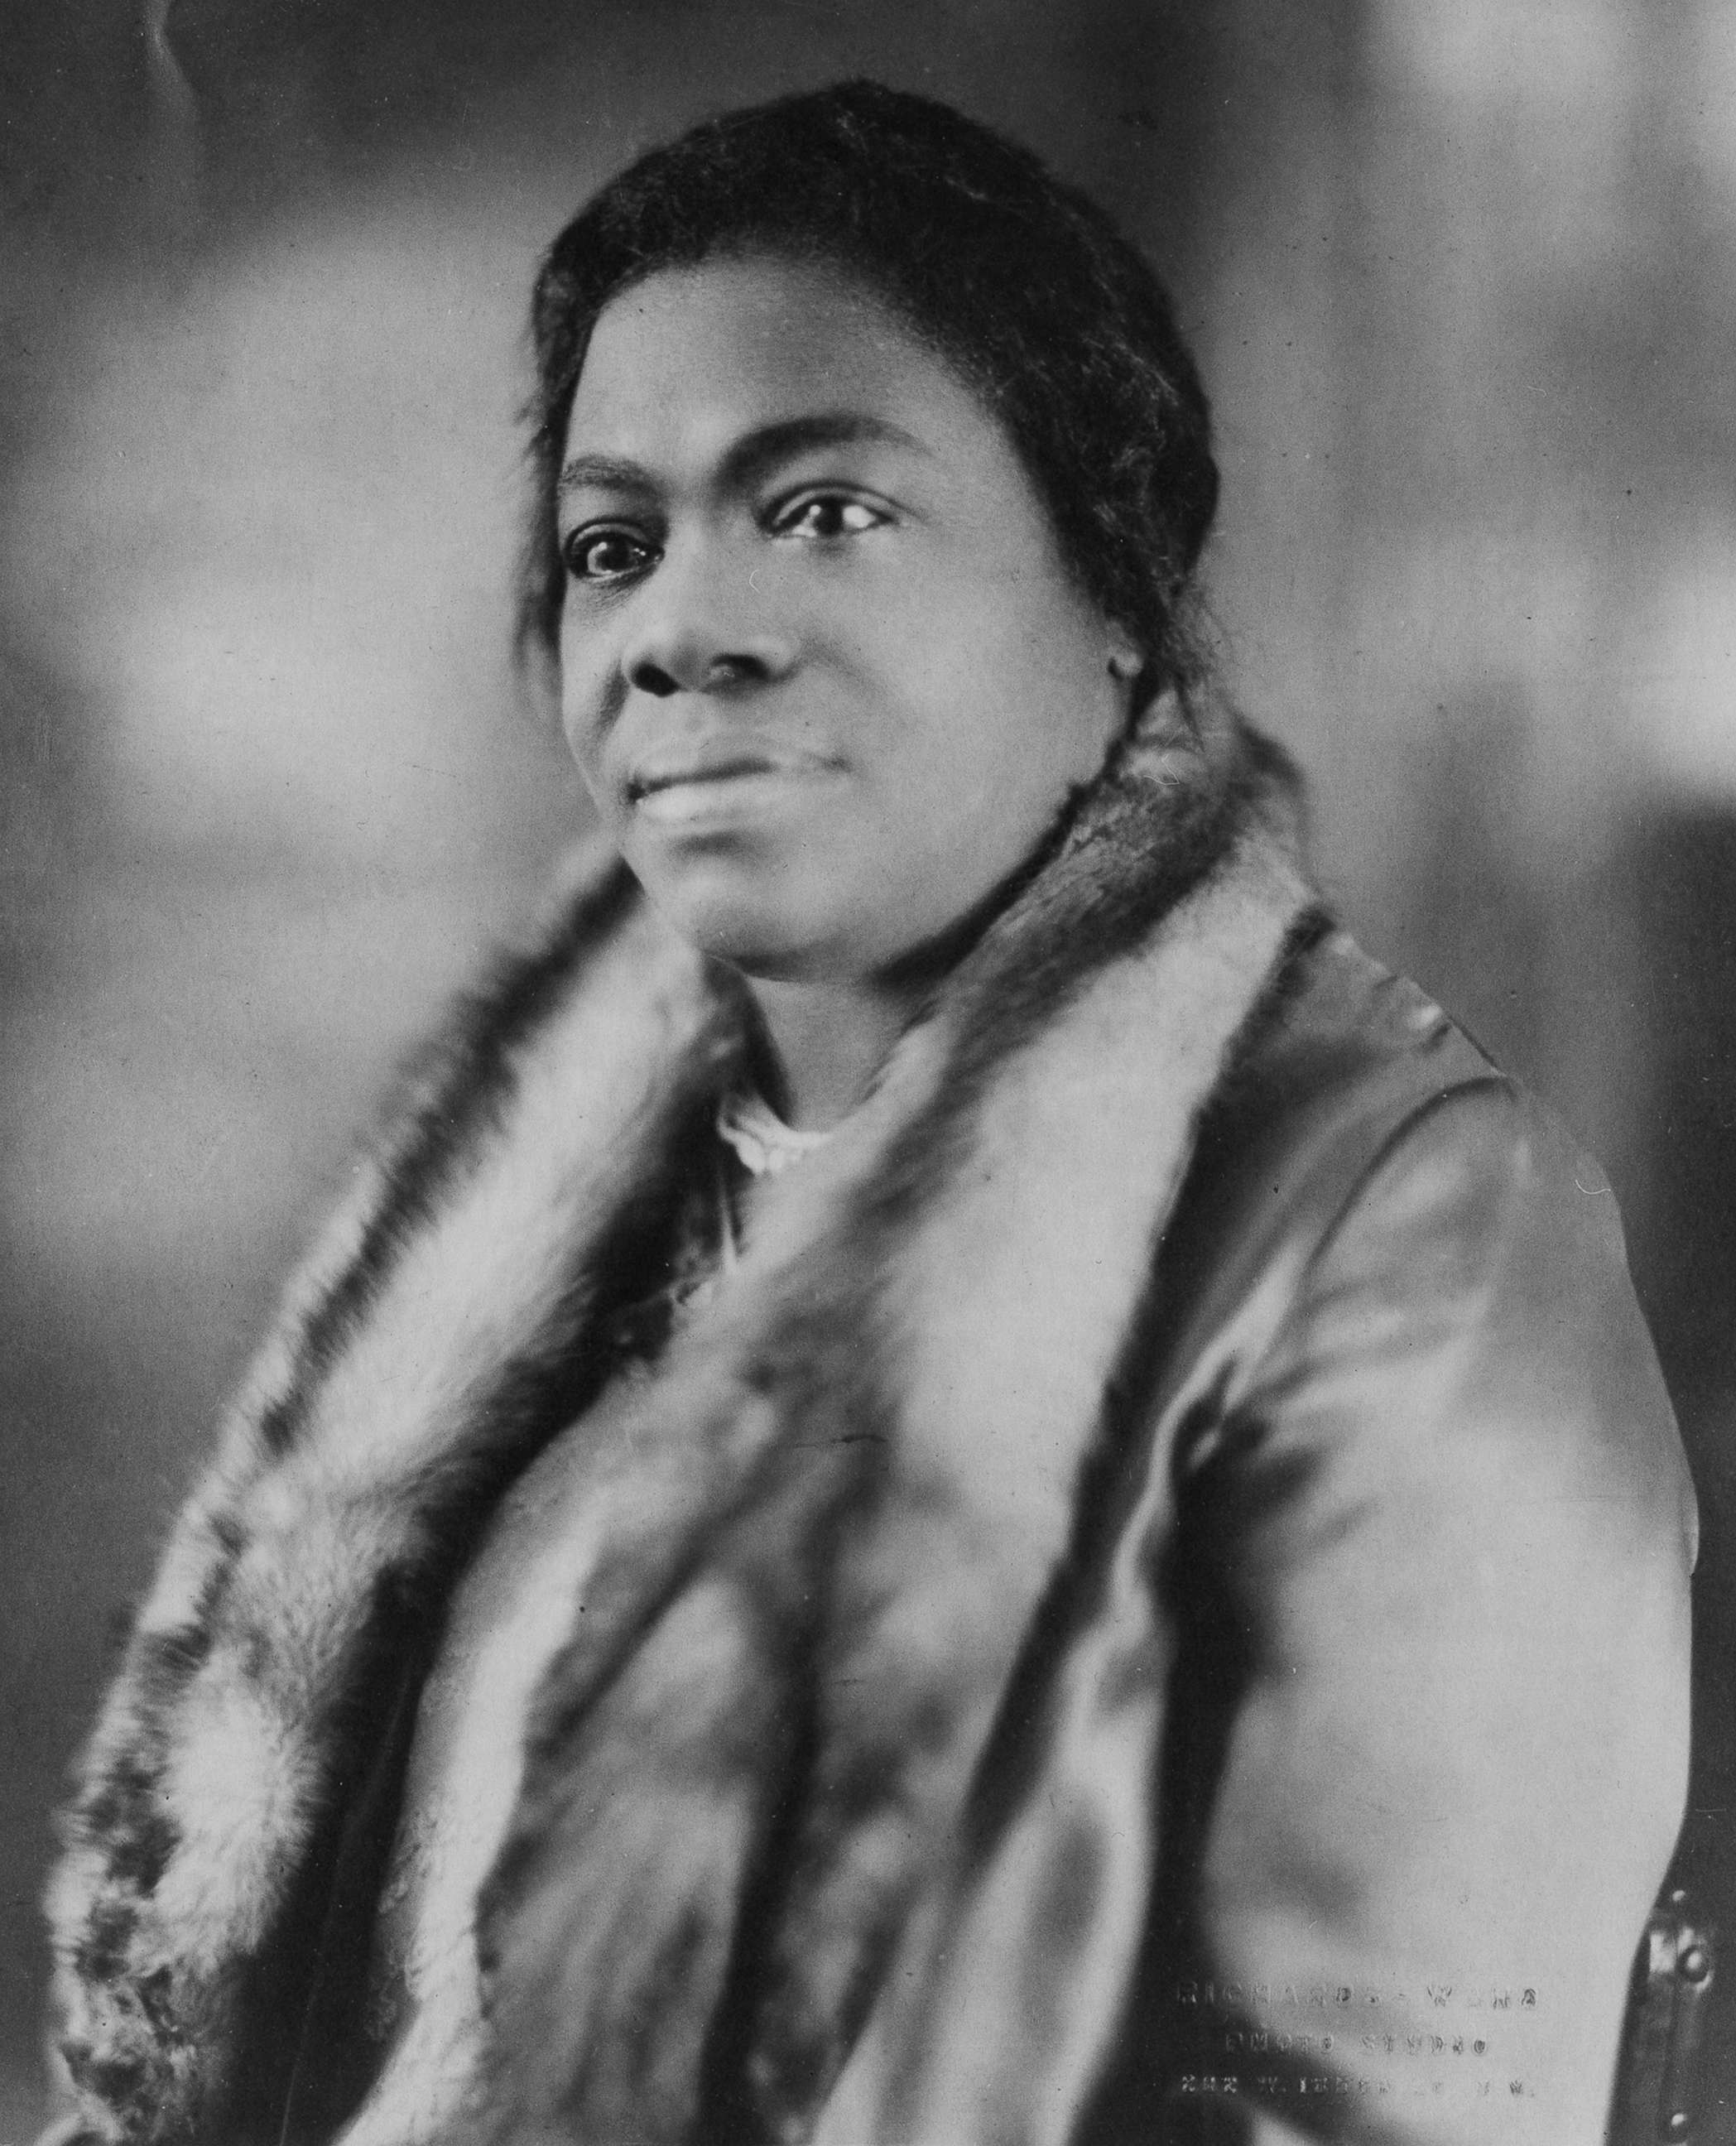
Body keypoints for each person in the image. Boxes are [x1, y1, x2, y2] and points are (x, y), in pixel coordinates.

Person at [40, 81, 1694, 2146]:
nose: (677, 631)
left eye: (822, 507)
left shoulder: (1407, 1234)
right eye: (611, 543)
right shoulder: (544, 1259)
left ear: (1115, 598)